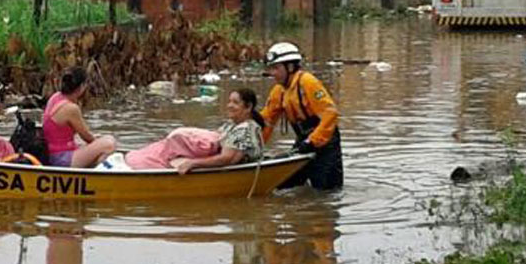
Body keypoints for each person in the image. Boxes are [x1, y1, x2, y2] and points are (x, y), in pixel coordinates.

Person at [260, 42, 343, 190]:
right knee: (284, 184)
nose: (272, 73)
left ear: (290, 67)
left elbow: (330, 114)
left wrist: (312, 141)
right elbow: (267, 121)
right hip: (303, 141)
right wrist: (255, 145)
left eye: (276, 68)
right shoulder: (279, 91)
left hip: (325, 144)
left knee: (325, 191)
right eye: (271, 68)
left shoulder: (308, 82)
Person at [125, 88, 265, 173]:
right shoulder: (232, 124)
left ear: (248, 107)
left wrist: (193, 163)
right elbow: (213, 138)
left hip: (229, 168)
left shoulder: (244, 130)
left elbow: (226, 159)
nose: (229, 105)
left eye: (235, 102)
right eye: (229, 101)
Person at [43, 67, 116, 167]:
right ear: (81, 87)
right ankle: (99, 172)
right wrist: (98, 143)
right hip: (62, 159)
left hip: (52, 154)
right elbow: (87, 137)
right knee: (109, 143)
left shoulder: (55, 97)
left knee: (99, 143)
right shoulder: (71, 108)